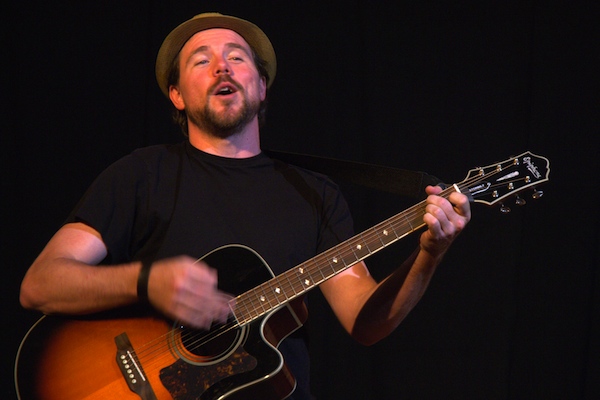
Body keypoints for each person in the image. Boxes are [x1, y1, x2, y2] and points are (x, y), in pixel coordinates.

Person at [19, 12, 471, 399]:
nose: (222, 68)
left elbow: (364, 321)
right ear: (176, 95)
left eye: (237, 57)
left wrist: (430, 254)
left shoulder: (314, 192)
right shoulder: (141, 174)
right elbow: (40, 284)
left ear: (261, 87)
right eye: (202, 60)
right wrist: (146, 282)